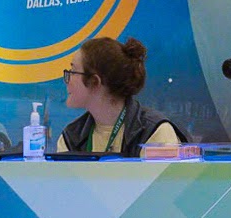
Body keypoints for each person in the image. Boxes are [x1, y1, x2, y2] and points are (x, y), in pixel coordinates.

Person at [57, 36, 185, 153]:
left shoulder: (154, 133)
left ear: (95, 82)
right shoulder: (70, 138)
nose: (67, 79)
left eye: (73, 71)